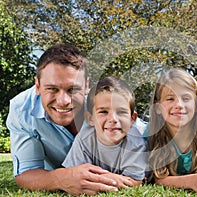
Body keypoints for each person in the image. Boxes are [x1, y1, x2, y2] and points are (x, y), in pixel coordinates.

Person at [6, 44, 119, 195]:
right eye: (52, 89)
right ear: (38, 86)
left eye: (72, 89)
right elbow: (27, 173)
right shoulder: (22, 110)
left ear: (86, 86)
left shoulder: (106, 102)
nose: (63, 101)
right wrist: (62, 178)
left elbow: (145, 137)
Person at [62, 77, 148, 189]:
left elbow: (134, 181)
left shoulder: (136, 142)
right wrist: (113, 177)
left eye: (121, 112)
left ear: (132, 119)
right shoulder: (84, 138)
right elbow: (75, 175)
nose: (113, 119)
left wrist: (96, 177)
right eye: (103, 112)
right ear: (90, 118)